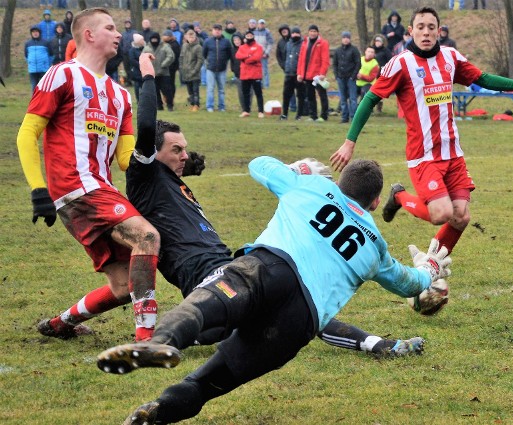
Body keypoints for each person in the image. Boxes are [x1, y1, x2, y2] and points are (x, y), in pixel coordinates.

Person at [97, 141, 451, 425]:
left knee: (202, 308)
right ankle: (158, 412)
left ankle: (159, 343)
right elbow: (410, 284)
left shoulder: (311, 185)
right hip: (299, 322)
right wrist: (429, 268)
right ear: (375, 202)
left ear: (339, 184)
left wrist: (297, 169)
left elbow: (259, 164)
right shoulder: (375, 245)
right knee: (207, 383)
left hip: (268, 269)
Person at [125, 54, 426, 355]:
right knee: (284, 303)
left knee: (294, 300)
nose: (184, 156)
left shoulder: (172, 181)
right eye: (176, 150)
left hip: (229, 264)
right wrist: (149, 76)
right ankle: (159, 341)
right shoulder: (145, 176)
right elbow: (148, 124)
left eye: (185, 149)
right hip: (206, 279)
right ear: (154, 150)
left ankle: (381, 346)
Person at [330, 7, 513, 309]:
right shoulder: (400, 64)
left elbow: (483, 78)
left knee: (461, 216)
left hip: (453, 154)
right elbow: (370, 99)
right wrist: (349, 142)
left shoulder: (450, 57)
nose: (425, 32)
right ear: (410, 31)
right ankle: (399, 197)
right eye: (420, 27)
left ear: (438, 31)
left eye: (431, 27)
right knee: (442, 213)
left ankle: (431, 268)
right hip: (424, 157)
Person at [16, 7, 161, 342]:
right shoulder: (63, 75)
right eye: (110, 27)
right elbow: (27, 133)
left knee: (124, 286)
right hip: (76, 187)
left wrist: (163, 158)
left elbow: (127, 161)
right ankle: (146, 341)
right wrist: (38, 190)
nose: (118, 33)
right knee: (147, 236)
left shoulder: (121, 95)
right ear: (88, 34)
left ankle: (60, 324)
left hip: (100, 190)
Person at [297, 24, 330, 122]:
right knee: (310, 95)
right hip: (307, 74)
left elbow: (325, 59)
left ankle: (324, 115)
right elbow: (301, 60)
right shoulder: (305, 43)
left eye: (314, 31)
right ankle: (313, 115)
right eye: (311, 31)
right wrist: (300, 73)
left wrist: (322, 73)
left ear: (318, 33)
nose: (312, 33)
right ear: (308, 32)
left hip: (318, 75)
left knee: (322, 95)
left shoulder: (323, 43)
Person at [203, 24, 232, 113]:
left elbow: (229, 54)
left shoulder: (226, 42)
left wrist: (223, 62)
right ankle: (210, 106)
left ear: (221, 31)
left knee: (221, 90)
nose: (217, 31)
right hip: (210, 69)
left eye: (219, 29)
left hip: (222, 69)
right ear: (212, 31)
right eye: (215, 29)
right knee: (210, 89)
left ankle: (221, 107)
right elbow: (204, 54)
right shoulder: (207, 41)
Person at [143, 31, 175, 111]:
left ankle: (170, 105)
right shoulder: (147, 48)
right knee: (155, 91)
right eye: (152, 39)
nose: (154, 41)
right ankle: (159, 106)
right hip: (152, 73)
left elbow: (170, 56)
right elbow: (143, 58)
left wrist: (163, 64)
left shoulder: (165, 46)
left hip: (164, 73)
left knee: (167, 91)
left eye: (155, 39)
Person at [334, 31, 360, 124]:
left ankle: (354, 118)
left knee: (353, 99)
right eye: (344, 37)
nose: (346, 39)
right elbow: (335, 64)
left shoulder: (354, 50)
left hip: (351, 78)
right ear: (342, 39)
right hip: (341, 77)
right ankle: (344, 117)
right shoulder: (337, 50)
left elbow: (358, 63)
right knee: (343, 99)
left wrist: (353, 76)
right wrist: (336, 76)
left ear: (350, 39)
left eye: (347, 37)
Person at [237, 30, 264, 118]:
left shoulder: (258, 47)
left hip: (255, 73)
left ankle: (260, 111)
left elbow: (257, 57)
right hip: (245, 74)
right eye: (247, 36)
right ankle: (246, 110)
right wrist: (248, 56)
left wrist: (246, 59)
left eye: (250, 36)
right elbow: (238, 56)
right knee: (245, 93)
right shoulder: (242, 47)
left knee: (258, 93)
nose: (249, 37)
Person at [280, 27, 304, 120]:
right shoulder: (288, 44)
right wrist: (285, 67)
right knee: (286, 95)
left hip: (298, 74)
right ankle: (284, 114)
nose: (295, 35)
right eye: (293, 33)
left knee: (300, 95)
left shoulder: (303, 44)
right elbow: (285, 56)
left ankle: (299, 115)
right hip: (288, 73)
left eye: (297, 33)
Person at [180, 29, 204, 112]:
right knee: (190, 91)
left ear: (195, 37)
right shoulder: (184, 46)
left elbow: (200, 60)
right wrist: (181, 68)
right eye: (189, 37)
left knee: (195, 91)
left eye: (192, 37)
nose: (191, 38)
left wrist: (194, 71)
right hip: (186, 72)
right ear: (186, 37)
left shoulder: (198, 47)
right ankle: (192, 104)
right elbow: (181, 58)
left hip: (195, 73)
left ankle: (196, 105)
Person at [24, 26, 52, 93]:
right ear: (31, 33)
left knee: (44, 87)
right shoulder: (28, 43)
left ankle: (45, 101)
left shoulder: (46, 42)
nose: (35, 33)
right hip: (32, 70)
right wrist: (30, 62)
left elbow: (51, 55)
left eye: (36, 32)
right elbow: (26, 55)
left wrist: (47, 64)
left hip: (43, 69)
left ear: (39, 33)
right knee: (34, 87)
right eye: (33, 32)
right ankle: (35, 102)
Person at [277, 23, 296, 113]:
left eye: (285, 30)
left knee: (301, 89)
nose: (284, 32)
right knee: (289, 89)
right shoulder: (280, 42)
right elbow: (278, 55)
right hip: (287, 69)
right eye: (282, 31)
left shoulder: (294, 40)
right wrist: (283, 65)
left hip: (296, 68)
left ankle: (303, 106)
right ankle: (292, 106)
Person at [162, 30, 181, 109]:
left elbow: (173, 57)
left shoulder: (174, 44)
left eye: (165, 35)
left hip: (171, 68)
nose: (163, 37)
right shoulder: (166, 44)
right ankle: (167, 98)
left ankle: (170, 98)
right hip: (167, 68)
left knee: (170, 85)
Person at [254, 19, 275, 89]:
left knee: (264, 70)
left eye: (262, 24)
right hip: (256, 54)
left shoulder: (267, 32)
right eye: (260, 24)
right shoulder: (254, 32)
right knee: (256, 70)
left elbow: (270, 43)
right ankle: (259, 84)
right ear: (258, 24)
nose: (261, 25)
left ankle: (266, 85)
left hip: (263, 54)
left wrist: (266, 52)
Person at [229, 33, 247, 111]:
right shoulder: (232, 50)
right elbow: (232, 61)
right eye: (234, 40)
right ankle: (243, 107)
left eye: (238, 40)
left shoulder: (245, 48)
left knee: (248, 91)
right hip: (238, 74)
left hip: (247, 74)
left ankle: (247, 106)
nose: (236, 41)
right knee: (240, 92)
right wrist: (233, 69)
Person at [129, 34, 146, 102]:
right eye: (141, 40)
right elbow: (132, 60)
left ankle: (145, 98)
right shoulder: (132, 50)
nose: (143, 41)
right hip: (136, 70)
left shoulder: (145, 48)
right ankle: (138, 99)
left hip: (144, 70)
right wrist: (140, 65)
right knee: (137, 86)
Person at [121, 18, 138, 87]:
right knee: (126, 68)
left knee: (133, 67)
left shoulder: (134, 32)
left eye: (128, 23)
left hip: (132, 53)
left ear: (131, 24)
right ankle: (128, 81)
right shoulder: (123, 34)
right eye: (126, 23)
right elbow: (120, 43)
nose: (127, 24)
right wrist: (122, 50)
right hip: (125, 53)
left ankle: (134, 80)